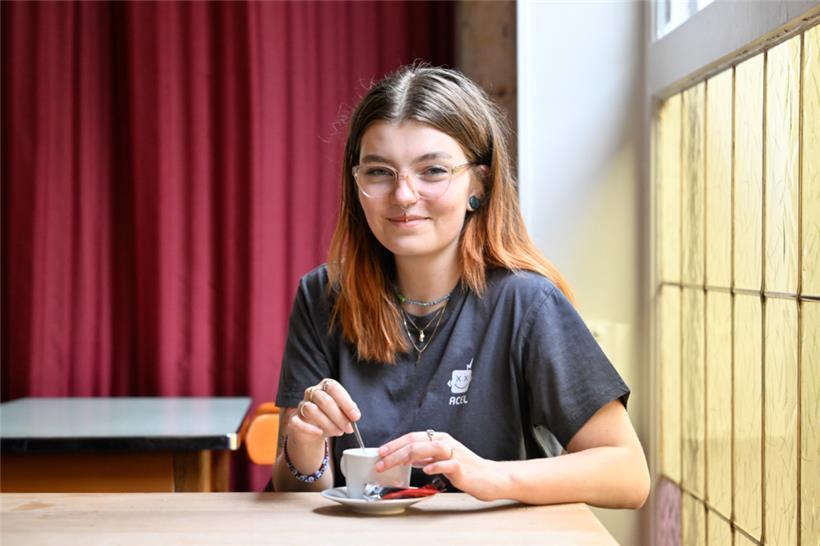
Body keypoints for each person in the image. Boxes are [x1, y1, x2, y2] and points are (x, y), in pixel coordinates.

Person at [272, 65, 650, 508]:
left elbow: (628, 474)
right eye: (379, 172)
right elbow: (296, 496)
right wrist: (305, 447)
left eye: (432, 170)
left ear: (479, 183)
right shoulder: (322, 296)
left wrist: (488, 476)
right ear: (355, 184)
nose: (404, 195)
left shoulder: (527, 302)